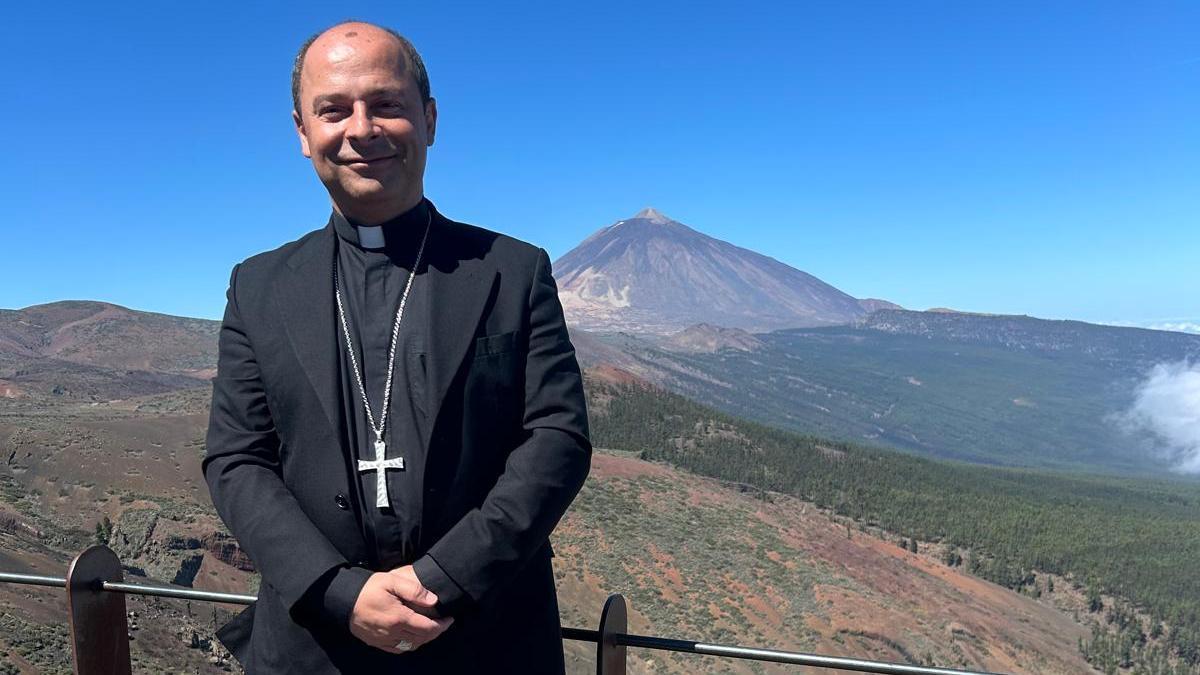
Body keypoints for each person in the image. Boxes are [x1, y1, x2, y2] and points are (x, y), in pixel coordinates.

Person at [203, 20, 591, 673]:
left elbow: (557, 437)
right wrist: (339, 589)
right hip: (313, 647)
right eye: (333, 110)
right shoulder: (258, 285)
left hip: (485, 637)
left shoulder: (513, 270)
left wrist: (446, 575)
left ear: (430, 119)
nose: (361, 128)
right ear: (303, 133)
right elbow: (237, 458)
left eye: (386, 104)